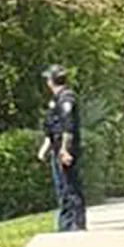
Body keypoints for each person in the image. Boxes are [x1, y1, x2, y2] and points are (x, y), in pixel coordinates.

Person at [38, 64, 87, 232]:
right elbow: (52, 127)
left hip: (65, 149)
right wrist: (45, 148)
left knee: (70, 186)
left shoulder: (66, 98)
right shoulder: (56, 99)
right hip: (57, 148)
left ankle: (76, 223)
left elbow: (68, 126)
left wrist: (65, 150)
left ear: (52, 80)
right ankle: (65, 224)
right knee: (62, 188)